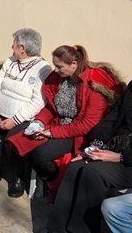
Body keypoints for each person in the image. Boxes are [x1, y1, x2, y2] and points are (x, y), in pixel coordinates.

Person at [8, 45, 123, 193]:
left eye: (59, 66)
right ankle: (21, 179)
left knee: (40, 154)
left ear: (73, 64)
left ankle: (55, 182)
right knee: (16, 136)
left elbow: (86, 125)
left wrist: (51, 132)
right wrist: (39, 121)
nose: (56, 70)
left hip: (79, 135)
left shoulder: (93, 86)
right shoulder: (61, 79)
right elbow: (51, 107)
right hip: (57, 124)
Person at [47, 75, 132, 233]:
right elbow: (113, 117)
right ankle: (56, 228)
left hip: (127, 161)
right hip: (118, 148)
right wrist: (95, 146)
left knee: (92, 173)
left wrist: (120, 157)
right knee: (75, 167)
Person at [0, 28, 52, 197]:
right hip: (0, 113)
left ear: (23, 49)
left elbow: (38, 102)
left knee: (13, 142)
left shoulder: (43, 69)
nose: (12, 47)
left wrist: (14, 120)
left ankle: (16, 179)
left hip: (22, 119)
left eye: (15, 45)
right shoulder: (11, 61)